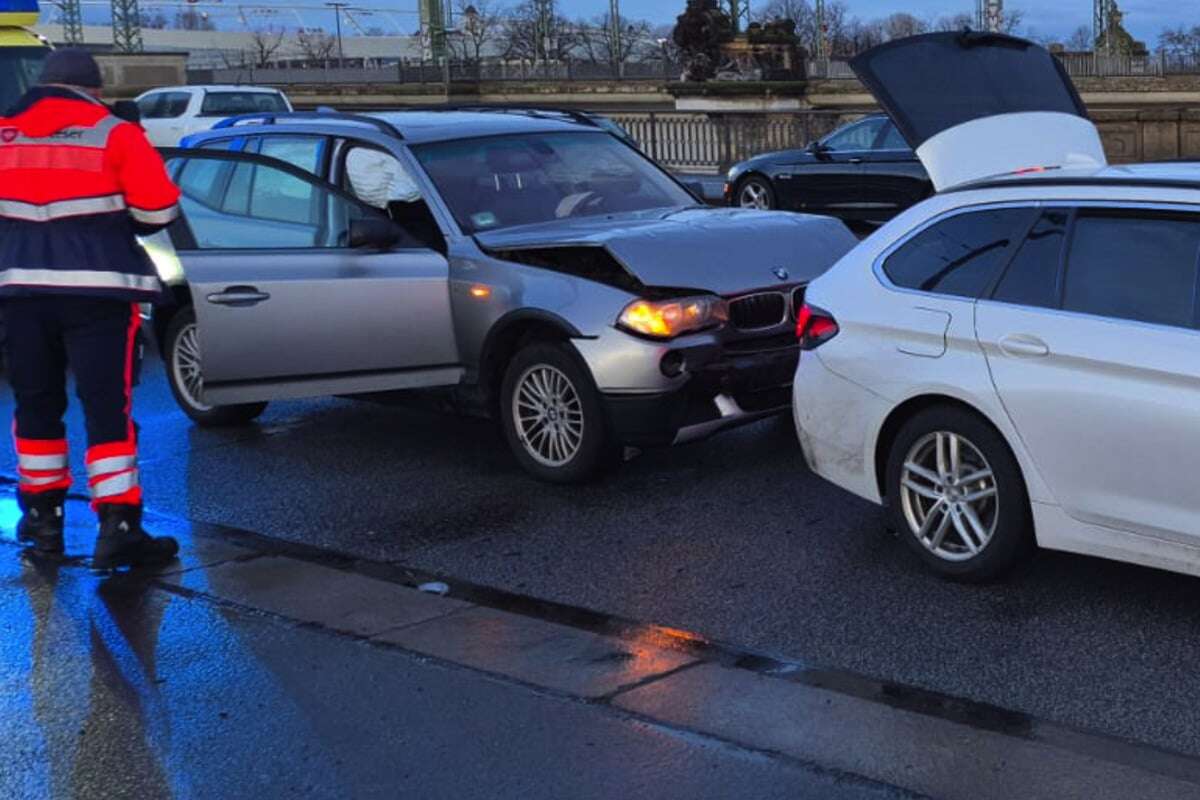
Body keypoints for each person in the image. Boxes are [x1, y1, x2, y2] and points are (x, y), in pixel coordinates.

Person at [0, 49, 182, 569]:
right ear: (93, 90)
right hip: (101, 295)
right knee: (108, 410)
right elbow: (158, 212)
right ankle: (118, 528)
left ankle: (42, 523)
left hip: (20, 292)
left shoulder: (3, 134)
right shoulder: (113, 133)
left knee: (36, 405)